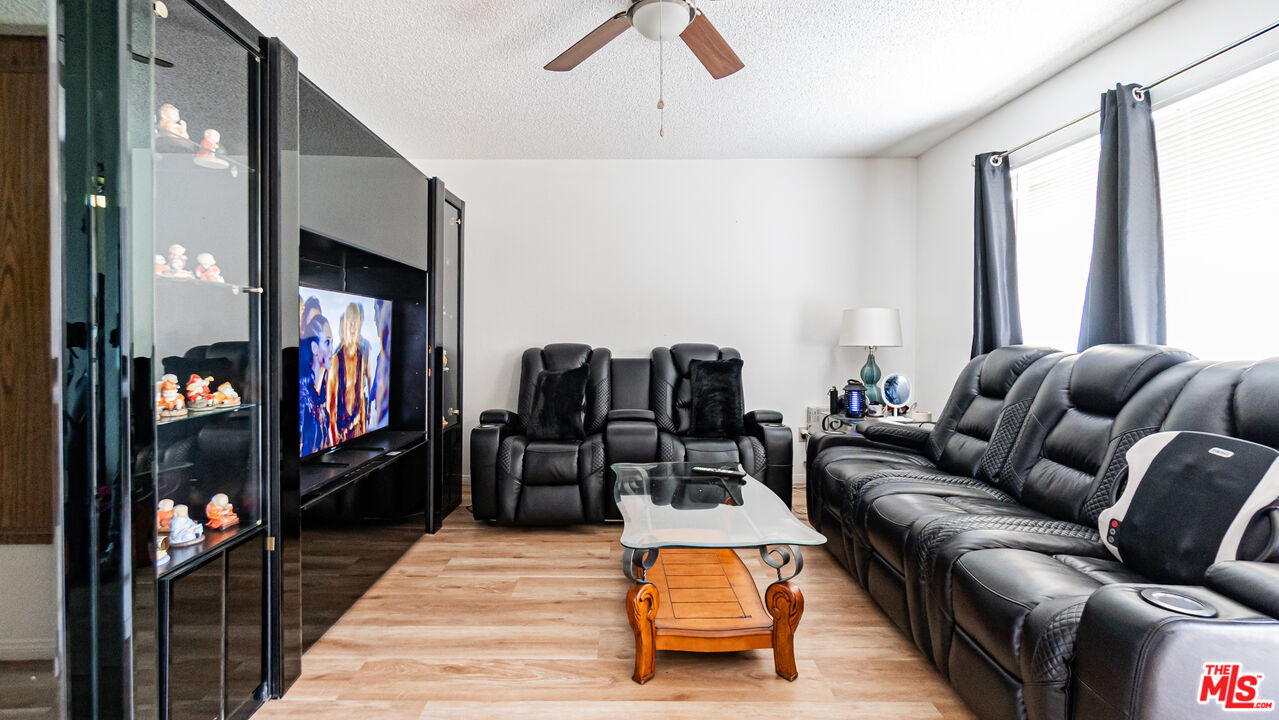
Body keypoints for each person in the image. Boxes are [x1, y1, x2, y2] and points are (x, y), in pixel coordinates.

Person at [299, 314, 333, 455]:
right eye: (327, 342)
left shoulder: (322, 392)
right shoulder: (302, 395)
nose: (332, 349)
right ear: (314, 348)